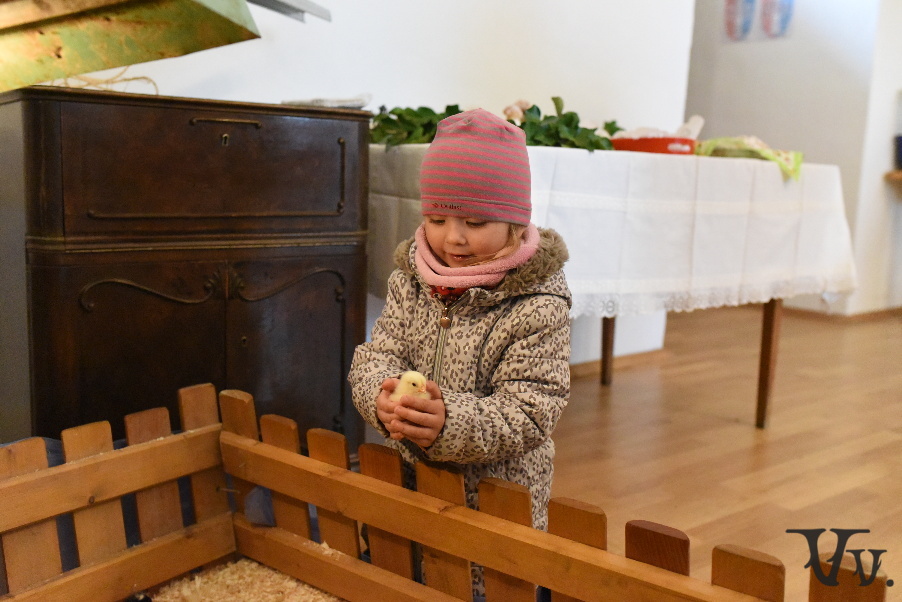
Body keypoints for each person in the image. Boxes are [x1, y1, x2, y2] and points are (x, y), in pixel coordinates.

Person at [348, 108, 571, 592]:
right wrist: (380, 396)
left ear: (515, 222)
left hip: (495, 501)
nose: (453, 237)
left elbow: (532, 410)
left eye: (475, 220)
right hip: (409, 484)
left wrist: (449, 422)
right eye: (436, 218)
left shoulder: (536, 304)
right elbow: (377, 357)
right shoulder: (411, 280)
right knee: (406, 578)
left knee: (480, 586)